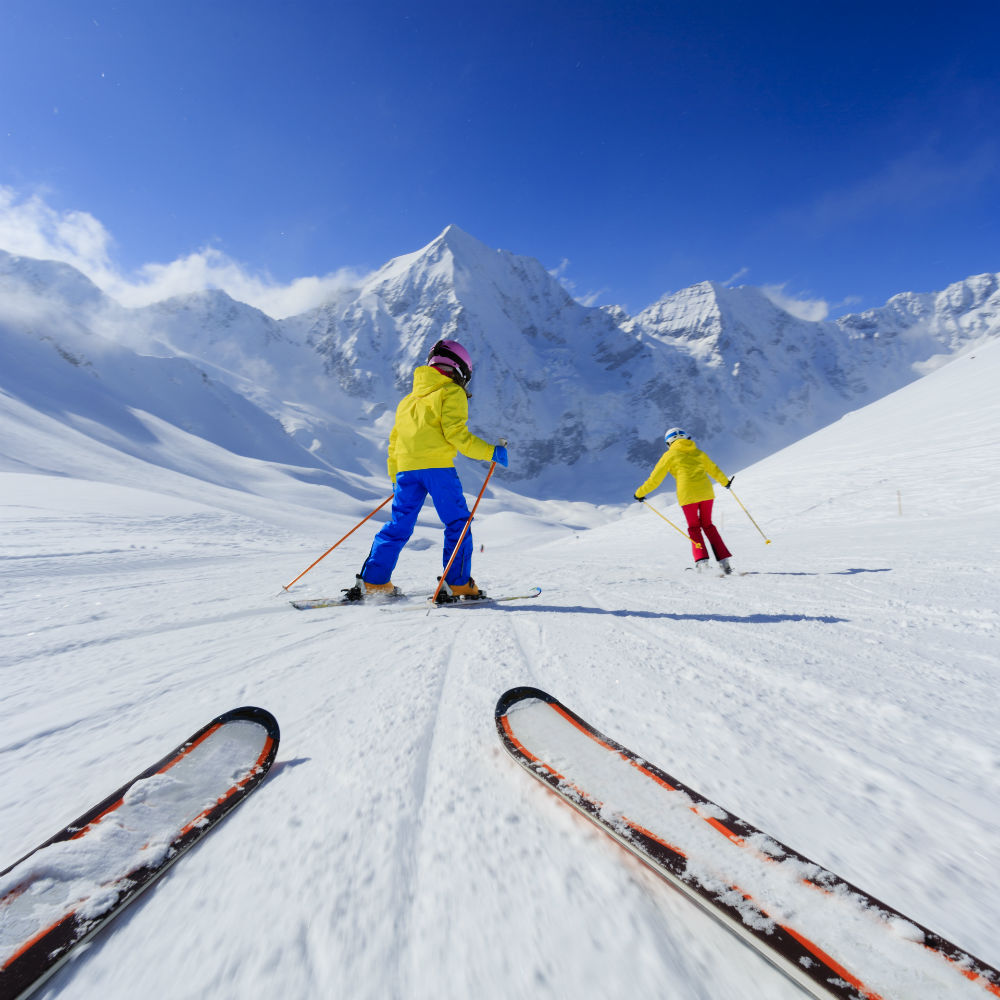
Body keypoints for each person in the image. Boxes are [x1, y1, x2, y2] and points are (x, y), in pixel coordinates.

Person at [346, 338, 508, 601]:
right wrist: (491, 452)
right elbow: (457, 435)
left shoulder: (407, 402)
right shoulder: (451, 393)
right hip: (438, 470)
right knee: (457, 523)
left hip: (406, 472)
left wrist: (395, 478)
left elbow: (394, 445)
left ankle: (374, 582)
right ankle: (457, 584)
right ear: (459, 370)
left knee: (398, 525)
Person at [633, 427, 735, 574]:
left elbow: (655, 479)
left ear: (669, 443)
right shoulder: (698, 452)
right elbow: (713, 469)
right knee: (708, 525)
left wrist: (639, 493)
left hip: (687, 495)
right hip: (706, 492)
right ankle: (724, 562)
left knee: (694, 528)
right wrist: (725, 482)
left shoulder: (669, 456)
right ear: (686, 438)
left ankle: (702, 564)